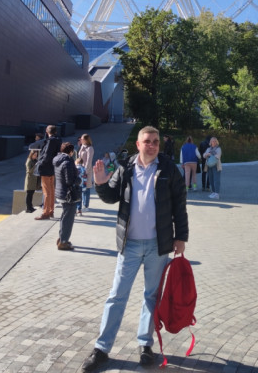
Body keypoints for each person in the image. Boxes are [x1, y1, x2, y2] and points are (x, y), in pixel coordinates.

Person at [81, 126, 188, 372]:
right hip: (129, 245)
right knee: (116, 295)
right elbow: (110, 196)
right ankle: (102, 348)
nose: (152, 145)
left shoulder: (169, 169)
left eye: (156, 142)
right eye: (147, 141)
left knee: (151, 297)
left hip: (158, 245)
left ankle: (145, 345)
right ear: (138, 144)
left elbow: (179, 206)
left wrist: (180, 237)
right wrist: (99, 184)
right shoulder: (126, 168)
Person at [53, 142, 79, 250]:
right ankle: (63, 242)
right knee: (68, 219)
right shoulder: (68, 162)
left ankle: (61, 238)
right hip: (68, 194)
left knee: (64, 217)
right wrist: (79, 179)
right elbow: (69, 180)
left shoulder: (58, 160)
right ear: (71, 151)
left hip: (61, 192)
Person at [35, 125, 61, 220]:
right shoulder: (58, 140)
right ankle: (51, 211)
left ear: (47, 131)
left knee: (46, 191)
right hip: (53, 168)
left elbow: (47, 154)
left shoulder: (50, 141)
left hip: (46, 168)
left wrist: (40, 163)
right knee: (51, 190)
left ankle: (46, 212)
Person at [78, 134, 94, 210]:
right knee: (81, 187)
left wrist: (85, 171)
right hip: (80, 169)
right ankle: (81, 205)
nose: (80, 140)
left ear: (86, 139)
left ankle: (86, 205)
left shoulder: (90, 148)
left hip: (86, 170)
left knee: (86, 188)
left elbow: (89, 161)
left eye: (82, 139)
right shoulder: (82, 146)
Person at [24, 148, 40, 213]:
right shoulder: (29, 161)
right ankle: (28, 208)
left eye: (36, 155)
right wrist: (35, 166)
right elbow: (29, 171)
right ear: (31, 154)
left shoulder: (35, 160)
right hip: (30, 180)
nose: (35, 156)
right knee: (29, 194)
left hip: (34, 180)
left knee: (31, 194)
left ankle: (31, 207)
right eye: (34, 155)